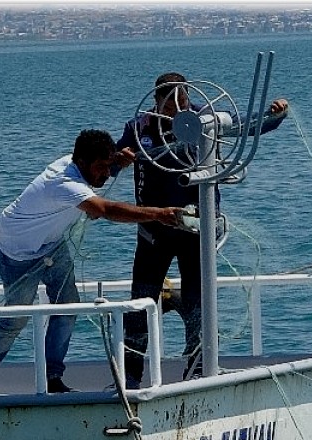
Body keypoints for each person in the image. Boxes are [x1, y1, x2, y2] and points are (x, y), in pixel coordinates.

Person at [0, 129, 185, 396]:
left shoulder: (80, 164)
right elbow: (105, 210)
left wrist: (118, 160)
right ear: (81, 162)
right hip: (18, 251)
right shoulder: (64, 183)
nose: (105, 173)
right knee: (15, 320)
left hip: (52, 245)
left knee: (68, 307)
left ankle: (52, 378)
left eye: (107, 165)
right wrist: (159, 214)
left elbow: (102, 173)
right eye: (100, 168)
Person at [116, 71, 289, 387]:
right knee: (139, 301)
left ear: (188, 96)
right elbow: (115, 160)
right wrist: (120, 158)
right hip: (152, 232)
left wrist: (274, 115)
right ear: (156, 99)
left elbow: (245, 124)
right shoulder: (137, 128)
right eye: (167, 100)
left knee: (198, 300)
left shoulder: (206, 119)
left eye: (180, 98)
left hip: (196, 230)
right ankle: (130, 374)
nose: (175, 106)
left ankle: (196, 366)